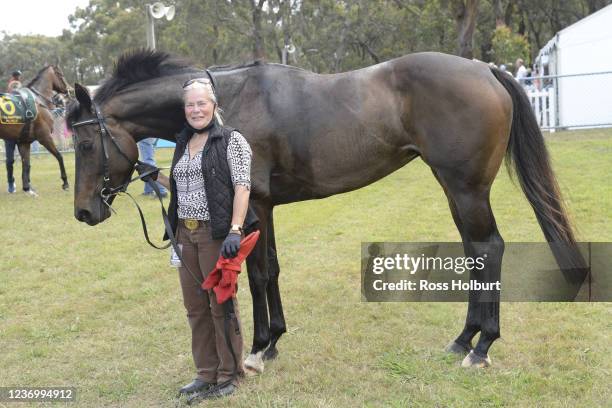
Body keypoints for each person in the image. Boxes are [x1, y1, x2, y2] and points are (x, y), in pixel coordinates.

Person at [157, 78, 257, 400]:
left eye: (201, 103)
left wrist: (235, 229)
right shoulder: (183, 143)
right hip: (185, 234)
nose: (195, 109)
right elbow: (184, 187)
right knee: (195, 307)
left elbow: (242, 185)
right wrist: (155, 176)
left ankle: (230, 373)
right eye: (190, 104)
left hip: (215, 233)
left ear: (214, 106)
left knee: (221, 305)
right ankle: (206, 372)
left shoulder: (231, 140)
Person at [4, 70, 22, 193]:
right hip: (9, 135)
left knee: (26, 160)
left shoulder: (21, 100)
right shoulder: (6, 101)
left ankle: (27, 182)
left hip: (22, 135)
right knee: (9, 160)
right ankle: (10, 182)